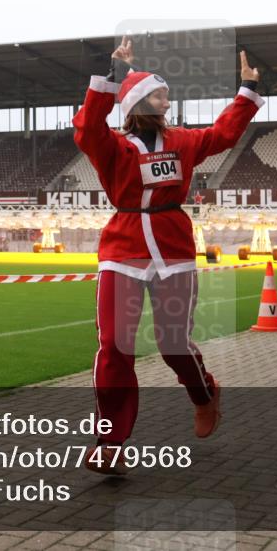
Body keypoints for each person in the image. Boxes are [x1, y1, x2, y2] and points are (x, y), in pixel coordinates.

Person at [74, 36, 264, 474]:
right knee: (113, 345)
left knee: (172, 343)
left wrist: (246, 91)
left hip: (173, 245)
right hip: (122, 248)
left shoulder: (181, 141)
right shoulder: (114, 147)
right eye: (160, 94)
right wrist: (113, 74)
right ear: (141, 102)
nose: (168, 100)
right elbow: (87, 128)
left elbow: (222, 134)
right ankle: (110, 440)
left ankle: (205, 394)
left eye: (167, 94)